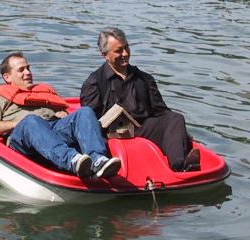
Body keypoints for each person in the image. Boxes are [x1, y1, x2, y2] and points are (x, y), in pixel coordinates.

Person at [0, 52, 121, 178]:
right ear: (7, 77)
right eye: (21, 70)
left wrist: (64, 116)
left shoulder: (43, 93)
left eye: (28, 68)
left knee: (85, 112)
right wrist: (17, 124)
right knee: (31, 121)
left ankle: (97, 160)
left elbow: (64, 115)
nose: (28, 72)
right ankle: (72, 160)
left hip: (52, 131)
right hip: (24, 138)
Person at [80, 27, 200, 172]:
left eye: (126, 48)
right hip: (110, 135)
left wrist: (182, 134)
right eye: (119, 51)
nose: (125, 54)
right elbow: (88, 122)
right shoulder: (94, 82)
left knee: (175, 118)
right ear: (105, 55)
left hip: (142, 129)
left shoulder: (144, 79)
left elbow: (161, 112)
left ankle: (180, 166)